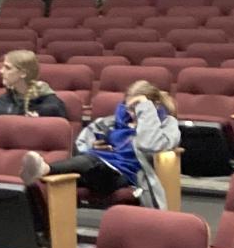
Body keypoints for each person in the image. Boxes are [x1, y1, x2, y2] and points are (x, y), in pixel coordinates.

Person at [22, 81, 179, 209]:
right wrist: (94, 144)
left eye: (136, 107)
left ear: (154, 105)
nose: (131, 112)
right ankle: (45, 235)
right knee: (48, 184)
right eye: (128, 107)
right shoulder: (114, 121)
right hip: (97, 171)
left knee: (92, 163)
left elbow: (149, 144)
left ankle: (45, 169)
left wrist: (145, 110)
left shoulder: (167, 124)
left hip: (127, 175)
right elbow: (82, 142)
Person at [0, 49, 68, 126]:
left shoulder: (51, 106)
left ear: (23, 73)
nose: (1, 71)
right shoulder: (1, 102)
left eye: (8, 68)